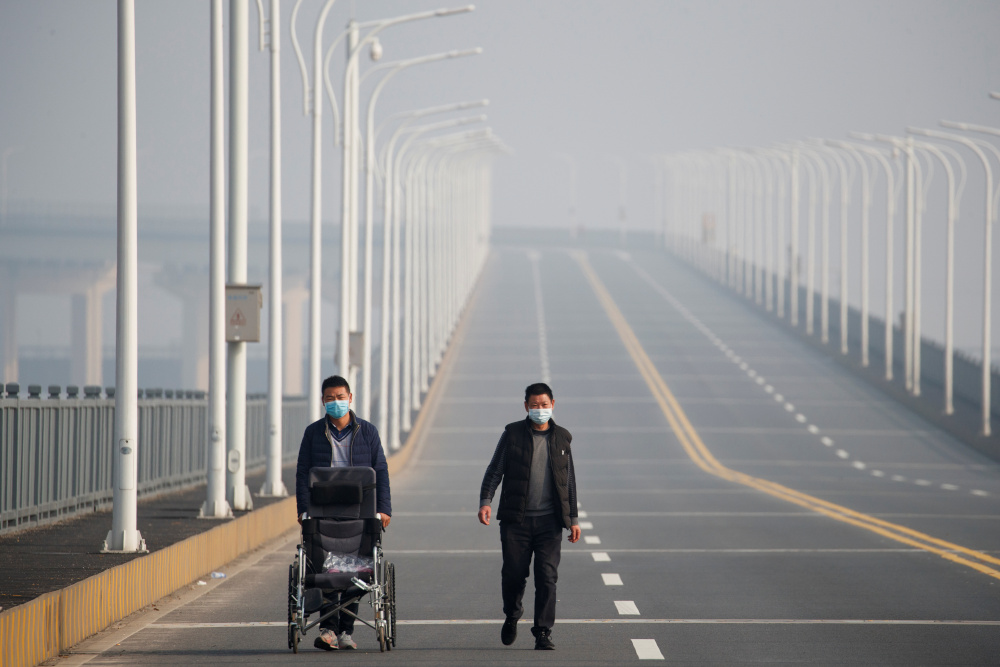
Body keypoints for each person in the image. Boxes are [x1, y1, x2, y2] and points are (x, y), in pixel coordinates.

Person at [478, 382, 580, 650]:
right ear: (526, 407)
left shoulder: (563, 438)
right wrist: (486, 501)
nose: (540, 410)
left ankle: (543, 632)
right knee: (513, 574)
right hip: (516, 521)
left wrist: (574, 520)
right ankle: (512, 615)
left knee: (547, 577)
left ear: (553, 405)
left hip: (549, 522)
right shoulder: (512, 434)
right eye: (534, 405)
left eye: (544, 405)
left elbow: (568, 481)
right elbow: (495, 469)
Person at [295, 374, 392, 652]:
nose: (335, 402)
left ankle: (345, 631)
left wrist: (384, 507)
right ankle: (328, 629)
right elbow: (303, 473)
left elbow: (381, 470)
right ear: (322, 401)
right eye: (330, 398)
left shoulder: (368, 432)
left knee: (359, 566)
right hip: (322, 508)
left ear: (350, 398)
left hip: (360, 509)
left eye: (340, 397)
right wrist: (303, 509)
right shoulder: (313, 433)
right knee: (324, 567)